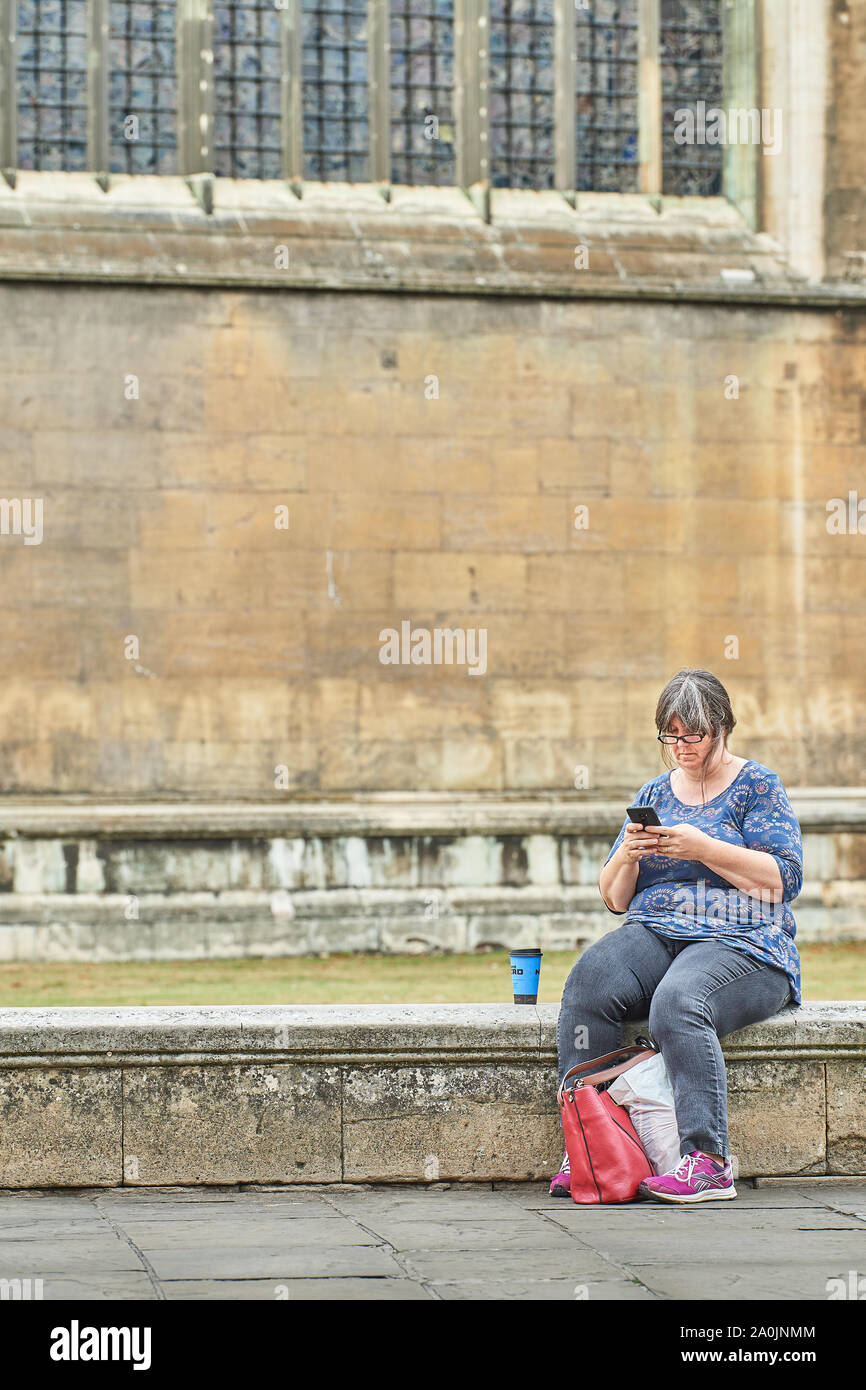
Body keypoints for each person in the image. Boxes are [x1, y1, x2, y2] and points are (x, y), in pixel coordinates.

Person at [550, 668, 802, 1204]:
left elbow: (784, 881)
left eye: (695, 735)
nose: (683, 747)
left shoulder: (758, 786)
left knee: (679, 1002)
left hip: (745, 942)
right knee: (589, 981)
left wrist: (703, 848)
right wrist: (628, 854)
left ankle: (707, 1162)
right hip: (657, 930)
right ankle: (589, 1148)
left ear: (723, 728)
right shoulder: (654, 792)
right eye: (672, 735)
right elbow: (616, 898)